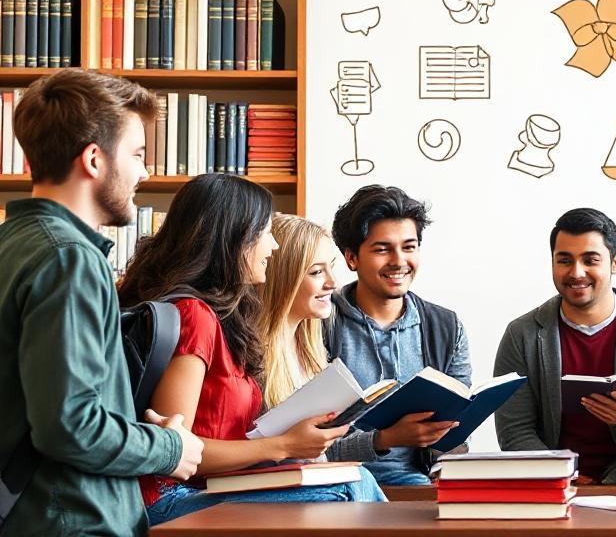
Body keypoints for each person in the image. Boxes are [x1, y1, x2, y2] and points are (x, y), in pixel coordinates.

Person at [0, 69, 203, 536]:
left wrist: (134, 427)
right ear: (94, 159)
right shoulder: (69, 259)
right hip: (73, 520)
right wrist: (170, 448)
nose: (144, 172)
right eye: (136, 154)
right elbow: (68, 426)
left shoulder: (16, 244)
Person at [119, 174, 385, 526]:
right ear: (234, 238)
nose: (273, 246)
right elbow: (175, 450)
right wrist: (285, 445)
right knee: (350, 488)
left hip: (210, 488)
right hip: (169, 499)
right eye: (264, 233)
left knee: (353, 480)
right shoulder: (193, 315)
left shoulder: (226, 318)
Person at [494, 208, 616, 485]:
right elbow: (514, 432)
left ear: (615, 262)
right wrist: (564, 476)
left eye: (590, 260)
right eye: (564, 260)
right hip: (551, 483)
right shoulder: (521, 334)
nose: (576, 273)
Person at [325, 185, 472, 486]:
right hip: (337, 484)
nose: (399, 261)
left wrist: (449, 477)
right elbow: (308, 448)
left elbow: (456, 432)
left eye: (409, 247)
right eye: (382, 249)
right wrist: (383, 439)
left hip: (420, 487)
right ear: (351, 257)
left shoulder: (446, 327)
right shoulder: (320, 325)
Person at [256, 214, 339, 409]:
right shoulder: (253, 359)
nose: (333, 283)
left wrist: (380, 438)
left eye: (331, 267)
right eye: (317, 272)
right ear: (284, 280)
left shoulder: (312, 347)